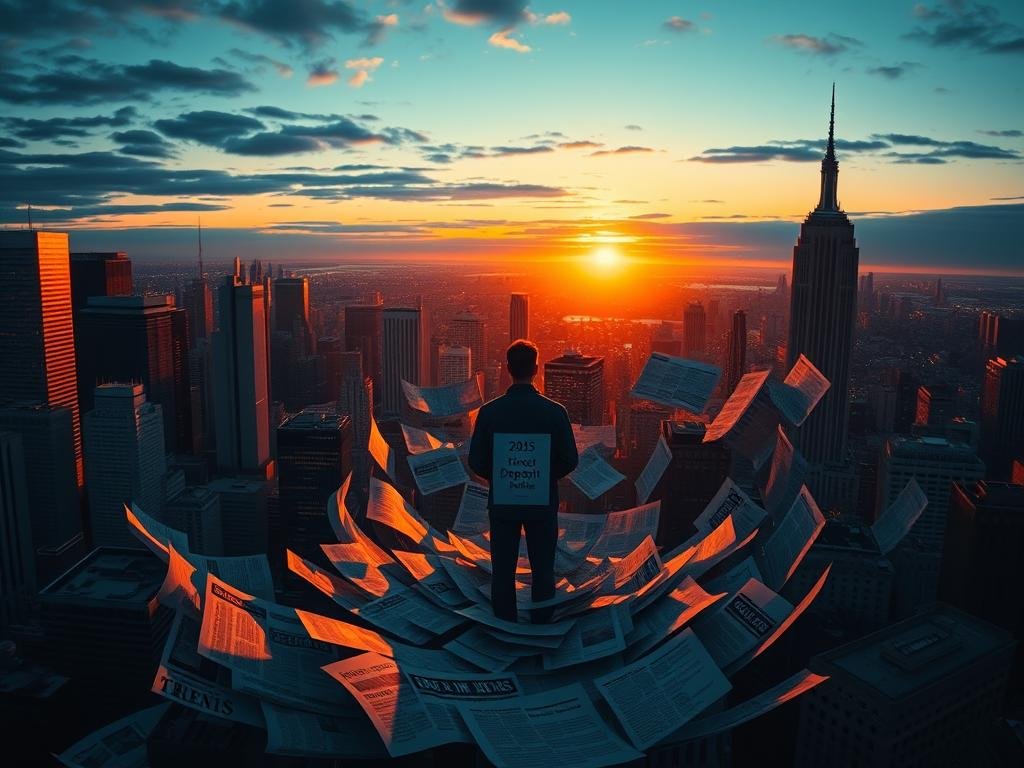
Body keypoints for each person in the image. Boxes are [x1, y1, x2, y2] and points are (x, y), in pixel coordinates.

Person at [468, 339, 579, 622]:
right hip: (542, 504)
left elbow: (476, 461)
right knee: (543, 570)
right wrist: (541, 476)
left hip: (503, 504)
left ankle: (505, 625)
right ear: (536, 369)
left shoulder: (489, 412)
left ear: (508, 369)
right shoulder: (555, 412)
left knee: (502, 571)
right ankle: (542, 626)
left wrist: (503, 476)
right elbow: (570, 459)